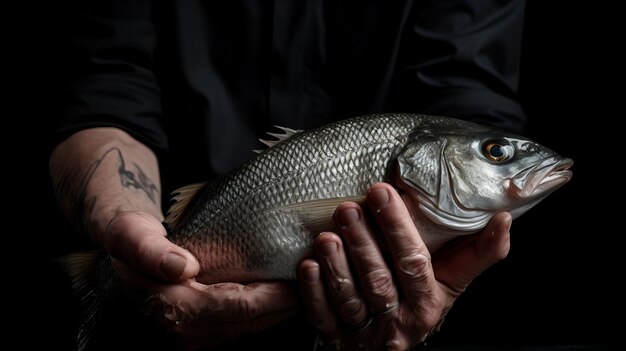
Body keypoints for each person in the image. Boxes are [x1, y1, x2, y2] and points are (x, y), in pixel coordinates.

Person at [49, 1, 525, 350]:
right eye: (499, 153)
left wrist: (444, 274)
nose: (507, 159)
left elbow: (466, 93)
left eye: (497, 153)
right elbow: (105, 84)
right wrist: (125, 223)